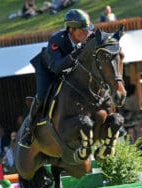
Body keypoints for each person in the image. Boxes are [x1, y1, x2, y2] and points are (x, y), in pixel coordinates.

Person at [19, 9, 95, 148]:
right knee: (42, 95)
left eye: (87, 29)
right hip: (48, 70)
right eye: (82, 30)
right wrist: (76, 52)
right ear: (71, 30)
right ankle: (29, 128)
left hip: (69, 70)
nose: (87, 33)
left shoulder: (88, 37)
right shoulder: (56, 39)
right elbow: (56, 66)